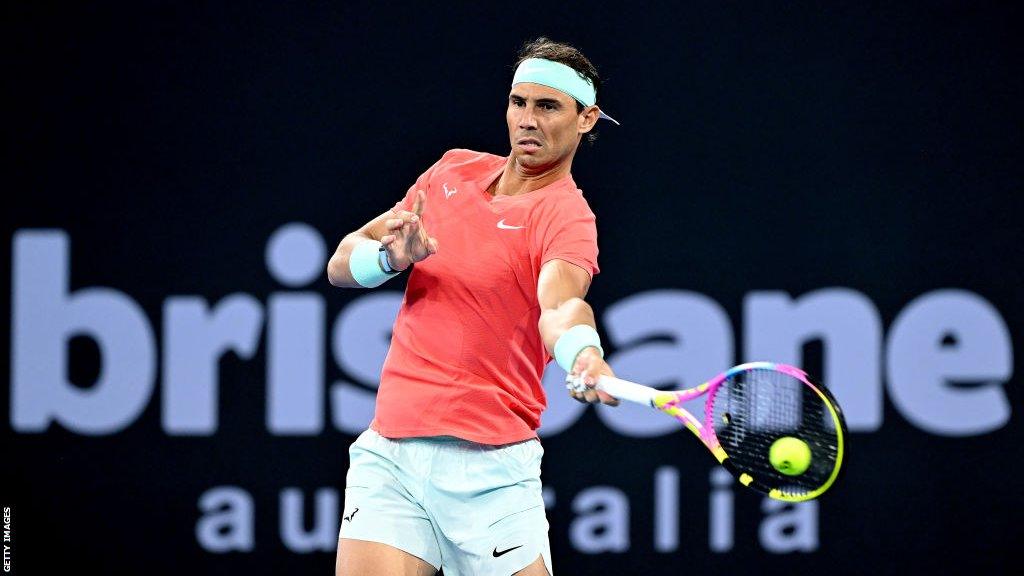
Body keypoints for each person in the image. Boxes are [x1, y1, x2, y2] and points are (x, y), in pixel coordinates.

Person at [326, 37, 621, 576]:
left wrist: (583, 352)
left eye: (548, 106)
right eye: (518, 102)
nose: (527, 120)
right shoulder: (450, 173)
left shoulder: (566, 218)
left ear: (587, 119)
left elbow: (560, 305)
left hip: (491, 472)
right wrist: (387, 260)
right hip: (392, 452)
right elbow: (340, 263)